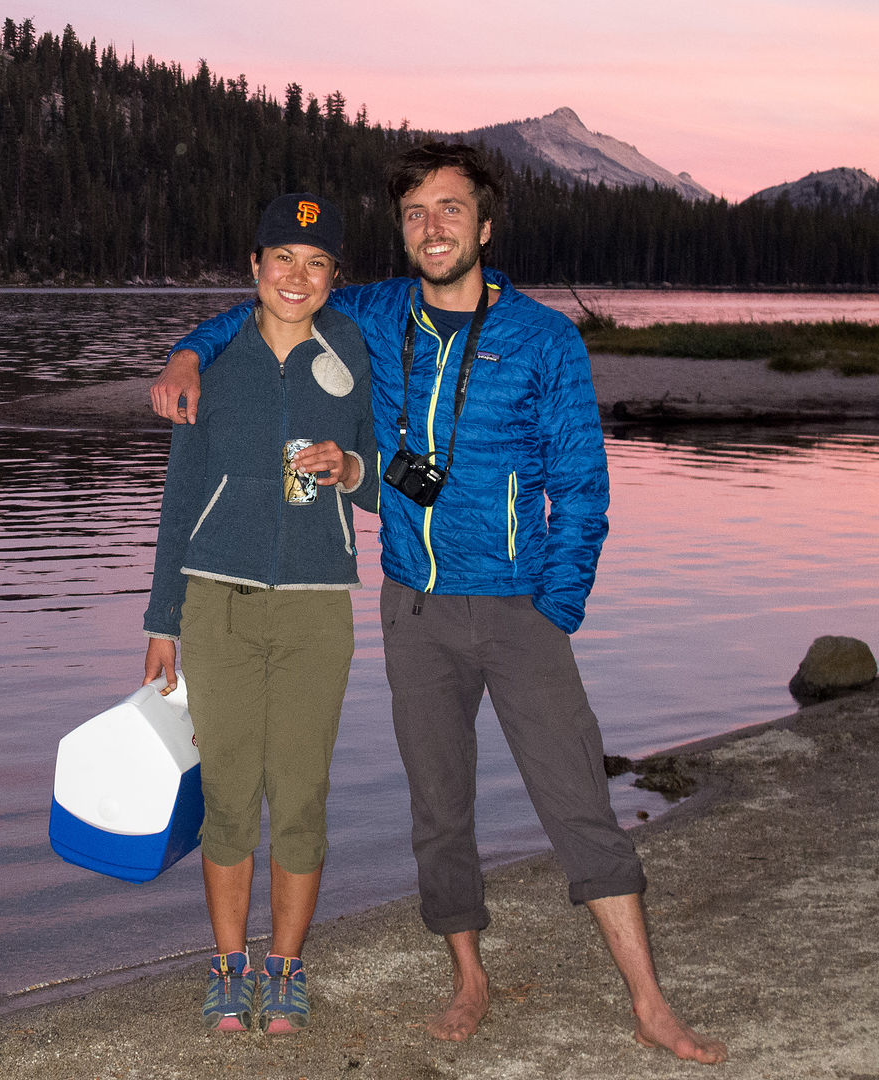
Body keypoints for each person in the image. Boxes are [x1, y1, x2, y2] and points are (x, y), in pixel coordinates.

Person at [149, 144, 727, 1064]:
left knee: (577, 800)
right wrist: (189, 350)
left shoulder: (545, 338)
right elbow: (273, 306)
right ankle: (469, 978)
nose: (433, 227)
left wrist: (556, 606)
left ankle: (650, 1000)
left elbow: (583, 489)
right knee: (438, 808)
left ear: (485, 228)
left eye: (451, 210)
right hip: (413, 610)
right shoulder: (377, 316)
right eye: (417, 213)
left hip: (518, 609)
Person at [142, 192, 379, 1034]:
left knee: (303, 795)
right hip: (218, 608)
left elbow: (394, 475)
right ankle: (228, 966)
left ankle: (285, 968)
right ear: (253, 265)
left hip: (318, 610)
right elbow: (178, 499)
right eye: (282, 257)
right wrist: (161, 619)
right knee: (231, 795)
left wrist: (350, 466)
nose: (297, 275)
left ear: (334, 278)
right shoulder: (212, 362)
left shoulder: (354, 347)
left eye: (316, 263)